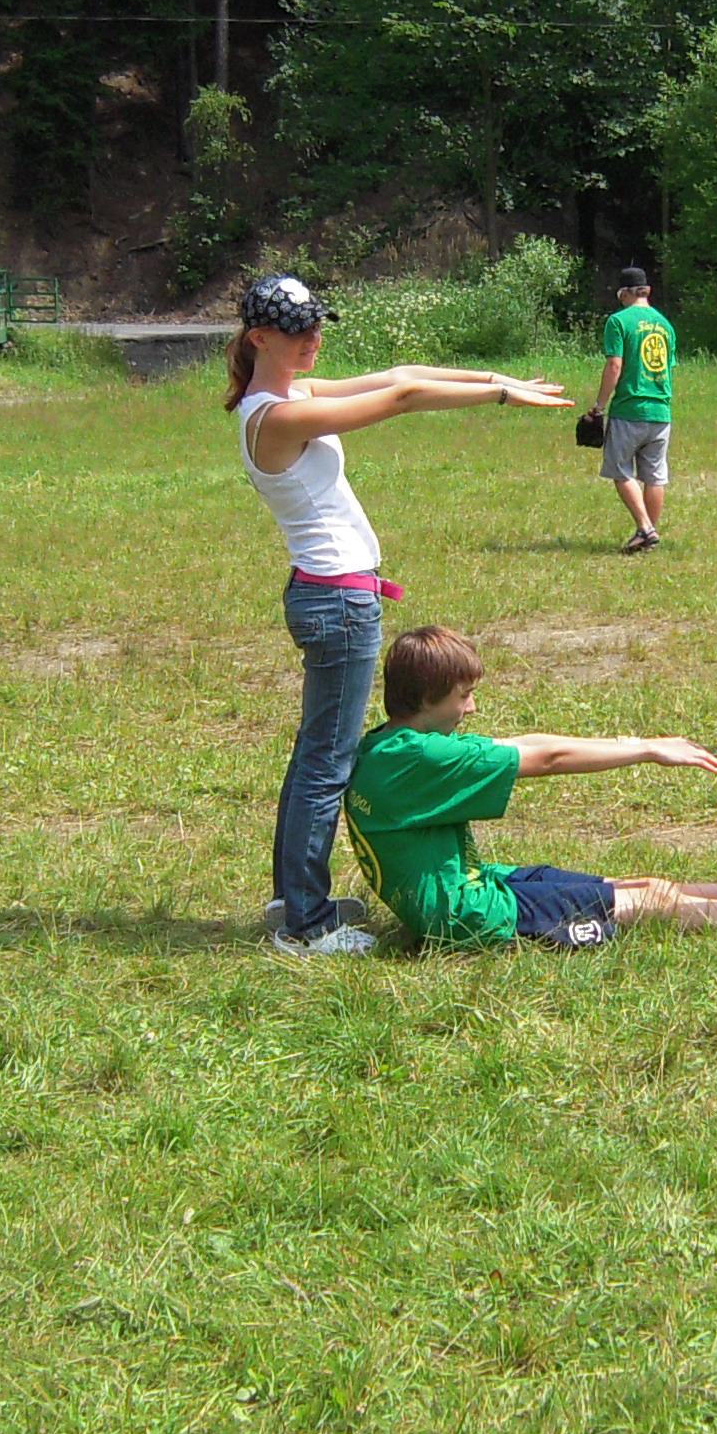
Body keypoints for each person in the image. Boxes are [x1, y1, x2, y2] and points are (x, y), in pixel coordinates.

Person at [226, 273, 576, 957]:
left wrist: (493, 374)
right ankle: (305, 923)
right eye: (298, 331)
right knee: (326, 763)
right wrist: (503, 396)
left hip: (335, 597)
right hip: (337, 602)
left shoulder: (292, 396)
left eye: (317, 325)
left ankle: (295, 900)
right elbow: (402, 399)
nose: (313, 339)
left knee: (318, 756)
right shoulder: (275, 417)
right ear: (260, 338)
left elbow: (399, 373)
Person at [344, 623, 717, 951]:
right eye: (463, 696)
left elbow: (525, 742)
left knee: (646, 883)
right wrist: (647, 750)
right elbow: (547, 758)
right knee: (651, 902)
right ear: (427, 698)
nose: (472, 708)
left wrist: (634, 741)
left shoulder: (389, 748)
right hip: (474, 918)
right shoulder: (420, 758)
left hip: (481, 885)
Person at [590, 267, 677, 552]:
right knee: (654, 477)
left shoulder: (618, 321)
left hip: (630, 409)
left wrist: (599, 405)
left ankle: (646, 528)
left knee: (619, 470)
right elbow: (665, 367)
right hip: (661, 411)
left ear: (623, 294)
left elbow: (615, 365)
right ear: (647, 291)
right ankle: (646, 537)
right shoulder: (665, 325)